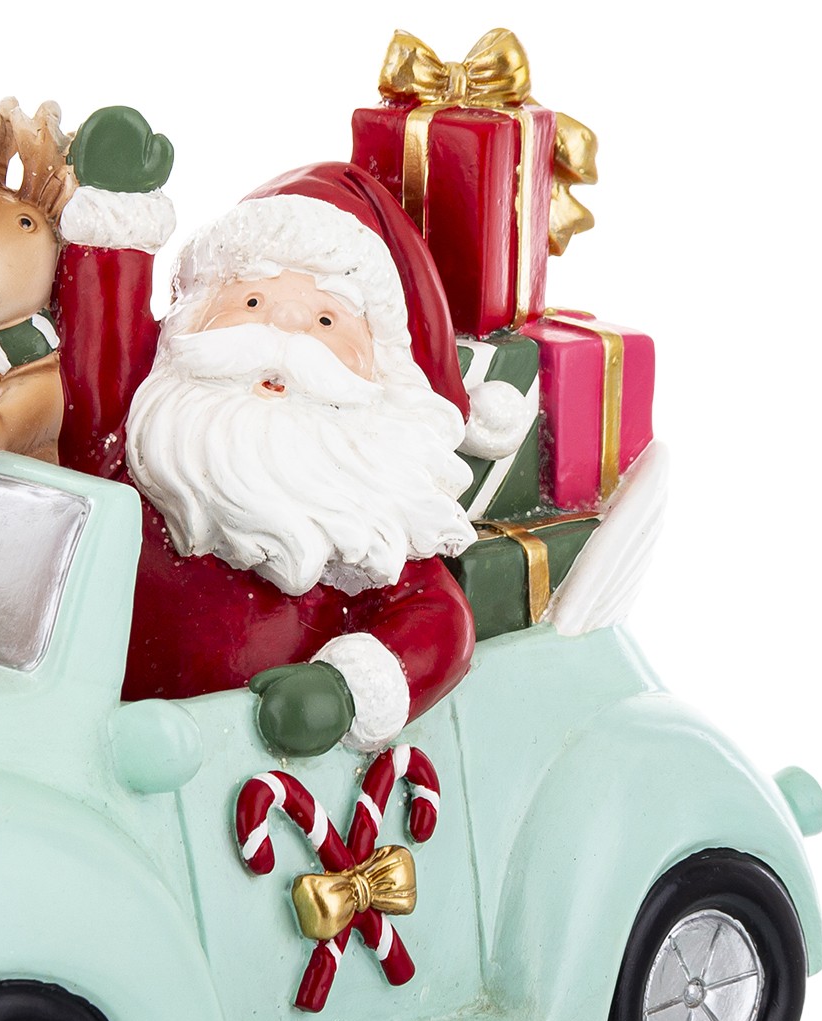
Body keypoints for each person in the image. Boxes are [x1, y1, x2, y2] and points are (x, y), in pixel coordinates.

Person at [54, 114, 535, 755]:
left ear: (377, 374)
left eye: (326, 322)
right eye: (251, 304)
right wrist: (116, 210)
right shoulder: (141, 441)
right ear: (190, 325)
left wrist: (348, 690)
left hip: (246, 768)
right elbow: (99, 352)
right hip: (86, 732)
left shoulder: (364, 521)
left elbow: (437, 619)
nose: (283, 333)